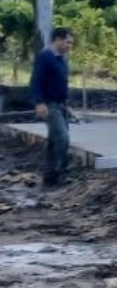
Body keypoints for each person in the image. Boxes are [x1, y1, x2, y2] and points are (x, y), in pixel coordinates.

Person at [29, 27, 74, 188]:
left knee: (55, 141)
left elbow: (61, 83)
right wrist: (39, 102)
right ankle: (62, 172)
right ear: (58, 40)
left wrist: (66, 104)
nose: (69, 46)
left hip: (60, 104)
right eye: (67, 42)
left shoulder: (61, 59)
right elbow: (36, 80)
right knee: (62, 138)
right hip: (49, 104)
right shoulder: (45, 57)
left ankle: (50, 176)